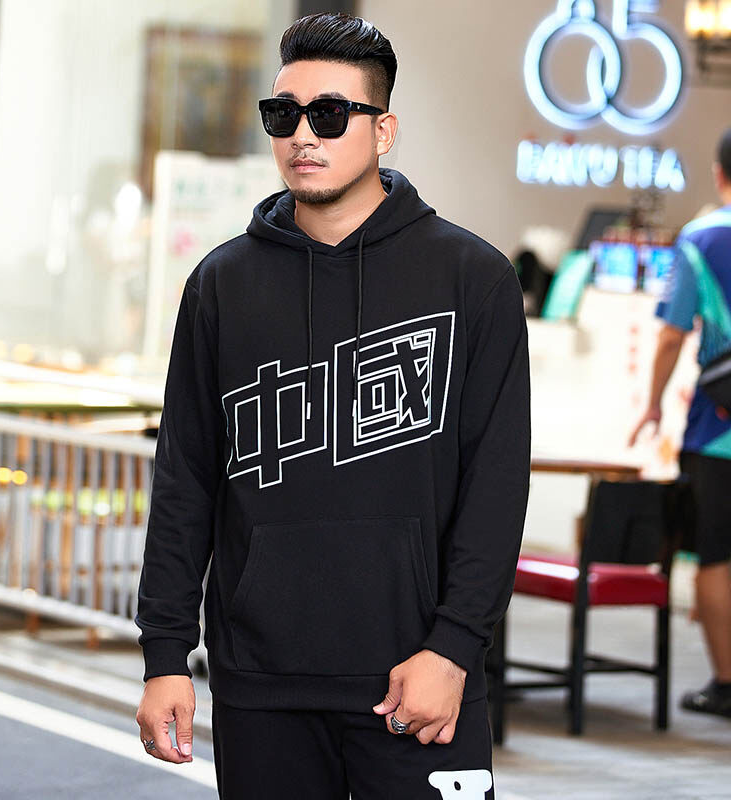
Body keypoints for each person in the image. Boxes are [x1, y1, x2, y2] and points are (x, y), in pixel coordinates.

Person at [134, 12, 531, 798]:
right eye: (282, 115)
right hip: (261, 687)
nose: (302, 136)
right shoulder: (221, 285)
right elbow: (185, 481)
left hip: (419, 682)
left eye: (329, 114)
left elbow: (495, 484)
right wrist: (164, 655)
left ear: (383, 131)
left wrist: (455, 647)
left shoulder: (472, 280)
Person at [629, 126, 731, 720]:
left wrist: (653, 402)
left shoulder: (704, 237)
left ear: (719, 173)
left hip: (718, 430)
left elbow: (671, 334)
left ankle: (727, 683)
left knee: (715, 556)